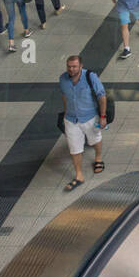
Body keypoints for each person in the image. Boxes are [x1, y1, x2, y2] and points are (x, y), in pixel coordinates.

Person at [59, 54, 106, 191]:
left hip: (90, 117)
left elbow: (102, 96)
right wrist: (65, 112)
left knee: (95, 139)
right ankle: (79, 175)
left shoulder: (90, 77)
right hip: (71, 119)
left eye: (74, 66)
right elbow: (64, 96)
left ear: (81, 66)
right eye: (69, 66)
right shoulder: (63, 79)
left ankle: (98, 157)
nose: (71, 69)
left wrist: (102, 116)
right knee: (74, 147)